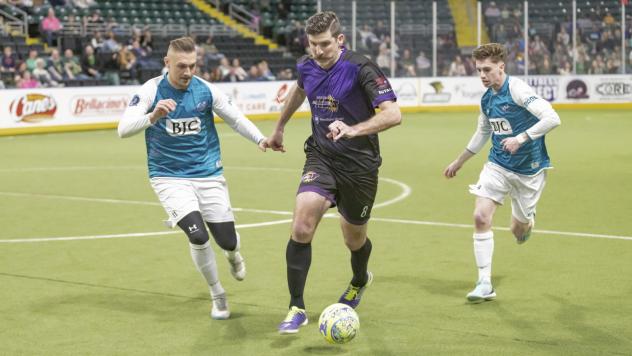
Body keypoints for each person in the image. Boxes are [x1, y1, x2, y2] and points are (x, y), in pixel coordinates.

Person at [263, 11, 401, 334]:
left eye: (324, 44)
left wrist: (353, 130)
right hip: (322, 157)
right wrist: (279, 127)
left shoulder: (361, 68)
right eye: (313, 45)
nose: (318, 51)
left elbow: (394, 114)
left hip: (360, 167)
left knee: (354, 239)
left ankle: (359, 279)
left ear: (340, 40)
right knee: (302, 223)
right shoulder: (306, 65)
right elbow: (300, 90)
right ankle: (296, 307)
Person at [118, 37, 268, 320]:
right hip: (168, 175)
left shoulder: (205, 89)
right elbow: (123, 129)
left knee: (227, 240)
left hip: (208, 173)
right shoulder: (151, 90)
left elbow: (235, 119)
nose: (187, 72)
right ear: (167, 63)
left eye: (192, 65)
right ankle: (217, 294)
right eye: (181, 66)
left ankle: (234, 255)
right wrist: (152, 116)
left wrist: (260, 139)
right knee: (198, 235)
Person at [443, 43, 561, 303]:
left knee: (518, 231)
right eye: (479, 70)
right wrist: (459, 161)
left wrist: (520, 138)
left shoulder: (518, 89)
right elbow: (483, 132)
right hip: (497, 165)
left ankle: (527, 220)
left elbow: (552, 118)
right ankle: (484, 283)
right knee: (480, 216)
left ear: (501, 67)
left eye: (487, 69)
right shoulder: (487, 99)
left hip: (529, 171)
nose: (483, 75)